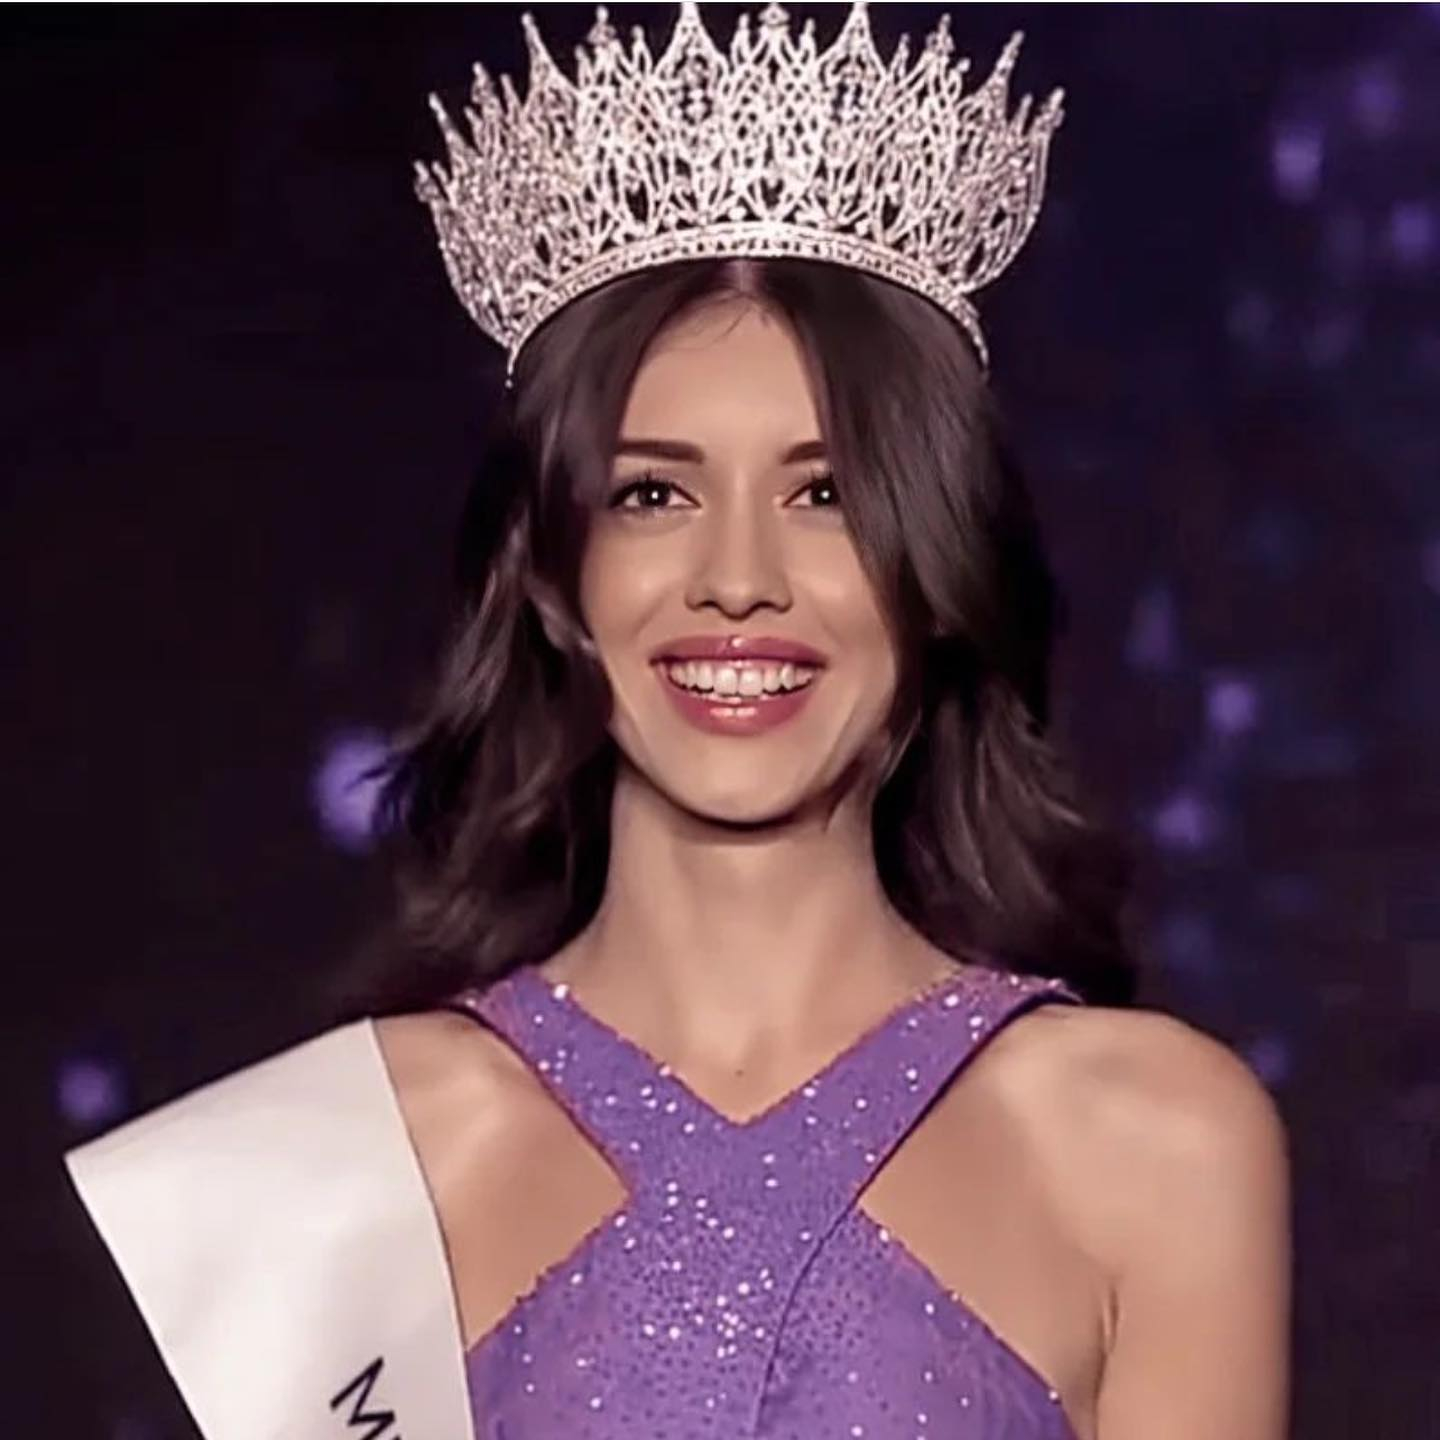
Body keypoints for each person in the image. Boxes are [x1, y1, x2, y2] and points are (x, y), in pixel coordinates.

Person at [65, 6, 1292, 1440]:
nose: (738, 577)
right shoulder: (339, 1171)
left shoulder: (1150, 1144)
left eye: (827, 493)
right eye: (654, 492)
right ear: (553, 570)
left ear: (939, 567)